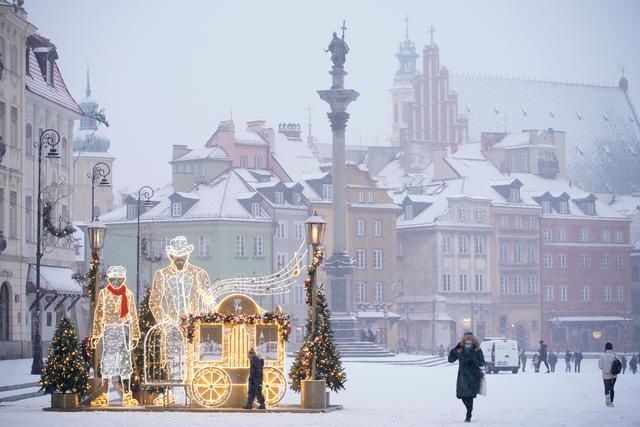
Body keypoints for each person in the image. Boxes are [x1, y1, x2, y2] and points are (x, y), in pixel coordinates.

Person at [91, 266, 140, 407]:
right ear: (109, 279)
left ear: (123, 279)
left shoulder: (128, 294)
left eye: (119, 279)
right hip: (108, 331)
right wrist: (96, 334)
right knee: (107, 361)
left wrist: (135, 335)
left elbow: (133, 315)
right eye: (113, 279)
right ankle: (104, 394)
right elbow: (99, 314)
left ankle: (127, 394)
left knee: (125, 362)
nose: (116, 282)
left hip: (122, 330)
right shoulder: (104, 294)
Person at [448, 332, 485, 423]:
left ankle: (468, 414)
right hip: (462, 376)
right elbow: (450, 360)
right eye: (466, 339)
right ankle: (469, 410)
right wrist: (454, 350)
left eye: (470, 339)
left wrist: (473, 361)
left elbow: (482, 362)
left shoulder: (477, 349)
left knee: (470, 396)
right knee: (462, 396)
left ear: (473, 340)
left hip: (473, 375)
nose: (468, 341)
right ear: (464, 340)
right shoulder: (460, 349)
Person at [598, 342, 619, 407]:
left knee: (606, 387)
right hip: (614, 374)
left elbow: (600, 366)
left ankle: (607, 396)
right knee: (612, 388)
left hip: (606, 374)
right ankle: (612, 402)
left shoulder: (603, 356)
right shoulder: (615, 355)